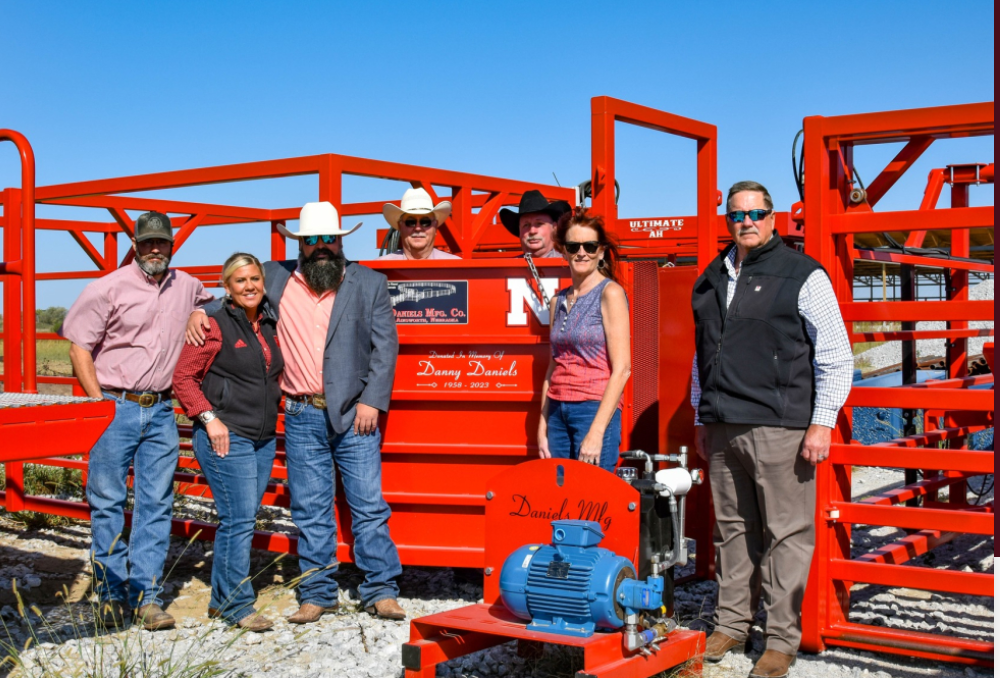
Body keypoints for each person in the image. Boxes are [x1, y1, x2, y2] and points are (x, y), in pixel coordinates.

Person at [188, 201, 406, 623]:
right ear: (300, 245)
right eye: (312, 240)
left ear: (340, 241)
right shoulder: (275, 276)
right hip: (301, 414)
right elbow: (233, 293)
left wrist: (372, 400)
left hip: (355, 414)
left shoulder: (369, 282)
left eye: (328, 238)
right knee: (310, 508)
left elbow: (386, 348)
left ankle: (381, 589)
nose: (321, 246)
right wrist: (201, 310)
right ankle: (317, 593)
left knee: (368, 505)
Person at [690, 181, 853, 678]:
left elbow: (836, 354)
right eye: (737, 215)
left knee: (787, 534)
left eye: (756, 213)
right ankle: (731, 624)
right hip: (723, 424)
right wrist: (701, 416)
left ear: (773, 217)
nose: (747, 222)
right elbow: (701, 357)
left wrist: (822, 423)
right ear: (727, 220)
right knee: (731, 530)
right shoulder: (711, 277)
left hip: (779, 426)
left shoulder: (803, 274)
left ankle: (780, 640)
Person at [61, 211, 214, 631]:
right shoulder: (106, 288)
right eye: (147, 242)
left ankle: (146, 598)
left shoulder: (187, 285)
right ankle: (110, 595)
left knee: (156, 503)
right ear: (135, 244)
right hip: (116, 404)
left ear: (171, 245)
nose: (154, 249)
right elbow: (79, 348)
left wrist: (198, 311)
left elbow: (209, 301)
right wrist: (99, 404)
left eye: (161, 242)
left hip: (162, 409)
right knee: (107, 501)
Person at [173, 253, 283, 632]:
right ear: (227, 287)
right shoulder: (214, 324)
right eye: (240, 280)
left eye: (254, 279)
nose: (249, 286)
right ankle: (238, 604)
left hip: (262, 438)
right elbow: (184, 377)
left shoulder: (269, 322)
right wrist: (209, 418)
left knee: (240, 519)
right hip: (225, 434)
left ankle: (221, 601)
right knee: (239, 520)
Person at [537, 209, 631, 473]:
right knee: (558, 492)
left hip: (593, 409)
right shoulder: (557, 301)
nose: (581, 253)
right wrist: (542, 425)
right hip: (556, 412)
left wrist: (597, 431)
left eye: (589, 246)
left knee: (592, 495)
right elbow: (553, 366)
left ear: (601, 252)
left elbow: (622, 369)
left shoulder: (610, 293)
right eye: (573, 246)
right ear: (564, 251)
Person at [379, 187, 459, 260]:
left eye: (425, 222)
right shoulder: (381, 267)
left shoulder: (455, 267)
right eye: (411, 222)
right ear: (400, 226)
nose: (418, 228)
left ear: (435, 226)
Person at [499, 190, 571, 259]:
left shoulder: (570, 265)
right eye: (526, 225)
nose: (532, 231)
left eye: (539, 224)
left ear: (554, 228)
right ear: (519, 231)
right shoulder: (508, 267)